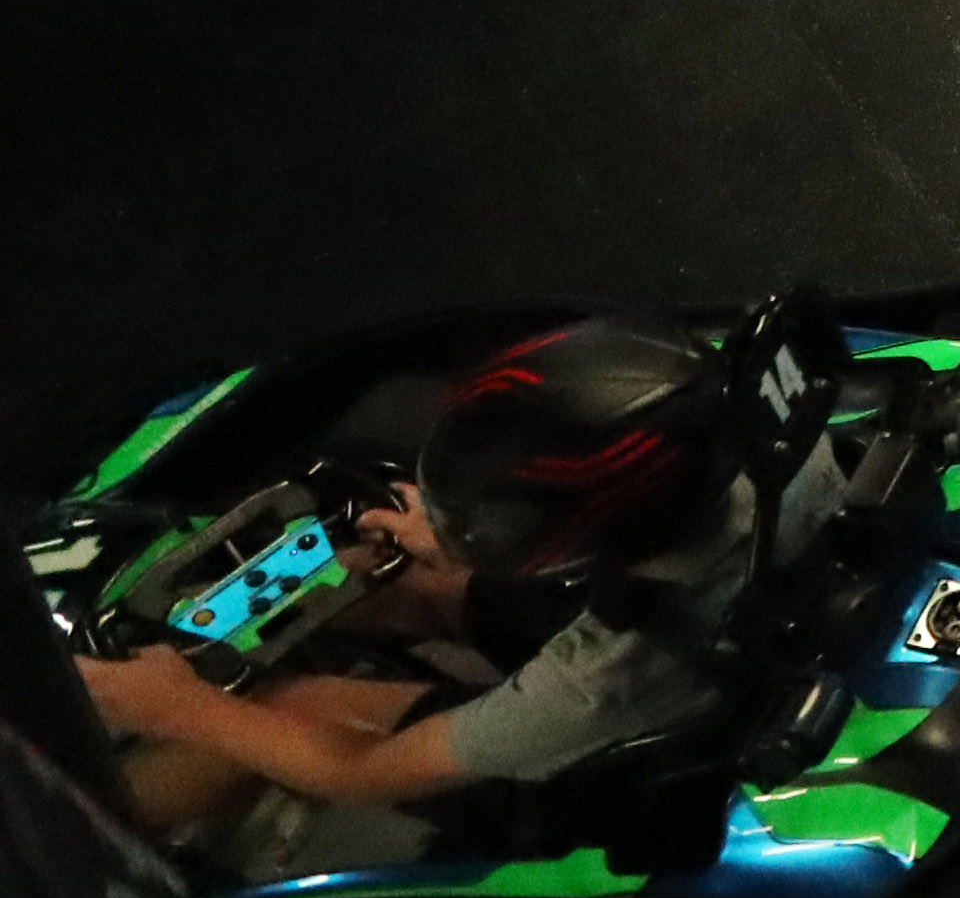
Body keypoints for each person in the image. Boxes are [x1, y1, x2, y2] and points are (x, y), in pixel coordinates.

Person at [77, 319, 778, 841]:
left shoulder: (596, 681)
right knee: (389, 580)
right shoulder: (762, 450)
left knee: (299, 704)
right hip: (735, 604)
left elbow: (361, 772)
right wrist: (477, 548)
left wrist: (179, 707)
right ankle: (187, 646)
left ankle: (75, 830)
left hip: (619, 773)